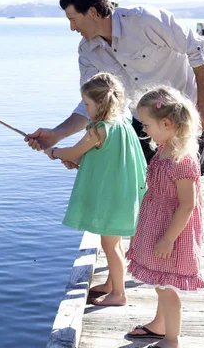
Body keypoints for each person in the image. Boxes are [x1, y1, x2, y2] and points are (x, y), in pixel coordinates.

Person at [26, 0, 204, 175]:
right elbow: (93, 104)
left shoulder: (144, 20)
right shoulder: (88, 52)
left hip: (186, 117)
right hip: (144, 127)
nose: (72, 28)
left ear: (92, 12)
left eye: (73, 19)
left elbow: (197, 49)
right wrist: (57, 134)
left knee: (190, 189)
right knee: (147, 192)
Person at [43, 72, 146, 306]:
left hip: (110, 197)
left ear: (100, 103)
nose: (86, 110)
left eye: (87, 104)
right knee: (115, 243)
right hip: (123, 193)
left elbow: (74, 151)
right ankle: (111, 284)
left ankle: (118, 293)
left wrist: (54, 152)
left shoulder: (99, 129)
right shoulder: (123, 123)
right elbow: (102, 156)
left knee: (109, 245)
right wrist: (80, 161)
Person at [125, 86, 204, 347]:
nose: (144, 130)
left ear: (167, 122)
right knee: (160, 281)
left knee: (167, 286)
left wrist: (168, 239)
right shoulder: (163, 148)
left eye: (147, 124)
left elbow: (186, 205)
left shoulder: (182, 160)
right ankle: (160, 325)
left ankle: (172, 339)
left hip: (173, 233)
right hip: (157, 224)